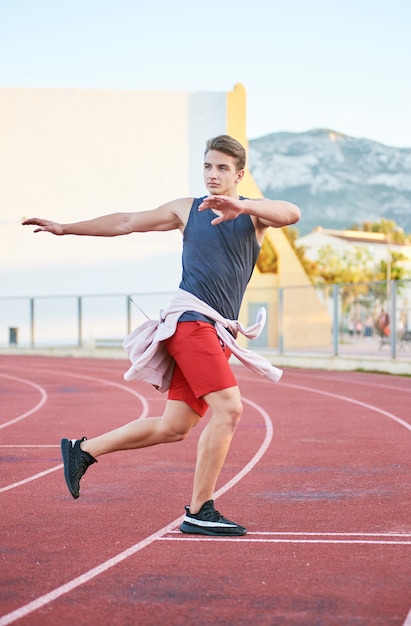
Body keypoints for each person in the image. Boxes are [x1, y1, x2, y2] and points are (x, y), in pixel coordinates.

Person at [22, 134, 301, 536]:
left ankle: (83, 451)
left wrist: (245, 205)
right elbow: (126, 222)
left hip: (216, 331)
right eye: (207, 166)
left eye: (222, 168)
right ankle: (200, 509)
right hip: (190, 321)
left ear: (239, 175)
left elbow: (291, 212)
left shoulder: (255, 216)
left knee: (175, 427)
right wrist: (66, 229)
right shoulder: (186, 210)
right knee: (230, 409)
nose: (213, 174)